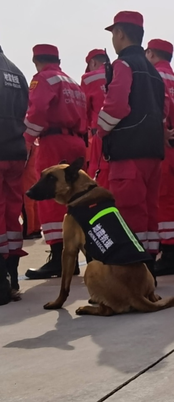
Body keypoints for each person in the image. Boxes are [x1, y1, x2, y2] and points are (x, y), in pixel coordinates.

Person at [95, 11, 165, 275]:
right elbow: (163, 110)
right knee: (149, 212)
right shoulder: (153, 71)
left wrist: (100, 132)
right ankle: (148, 267)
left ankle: (132, 270)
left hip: (128, 153)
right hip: (152, 152)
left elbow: (116, 106)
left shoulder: (123, 64)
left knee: (128, 213)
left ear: (120, 33)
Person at [23, 44, 88, 280]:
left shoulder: (43, 78)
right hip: (77, 142)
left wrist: (26, 139)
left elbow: (37, 110)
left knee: (50, 198)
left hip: (53, 142)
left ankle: (59, 259)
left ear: (36, 61)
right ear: (58, 60)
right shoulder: (72, 82)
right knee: (75, 198)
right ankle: (74, 255)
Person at [145, 39, 174, 276]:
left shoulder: (155, 76)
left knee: (164, 201)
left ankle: (170, 254)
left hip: (166, 143)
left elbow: (158, 107)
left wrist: (160, 131)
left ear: (151, 53)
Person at [0, 43, 29, 300]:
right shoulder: (17, 73)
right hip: (15, 151)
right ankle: (12, 277)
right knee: (11, 215)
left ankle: (1, 285)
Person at [82, 49, 110, 187]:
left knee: (98, 177)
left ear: (93, 62)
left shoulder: (89, 78)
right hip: (126, 136)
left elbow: (84, 111)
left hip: (100, 137)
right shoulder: (121, 73)